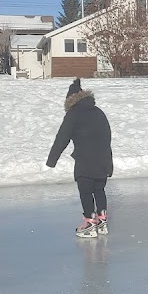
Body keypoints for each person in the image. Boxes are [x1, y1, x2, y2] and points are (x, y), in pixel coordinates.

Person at [46, 78, 113, 238]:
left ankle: (90, 222)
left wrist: (52, 160)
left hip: (85, 161)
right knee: (99, 188)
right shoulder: (98, 112)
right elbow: (107, 134)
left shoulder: (73, 114)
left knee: (85, 190)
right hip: (104, 159)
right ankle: (102, 220)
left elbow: (62, 138)